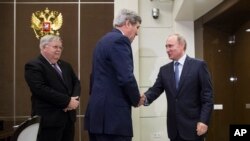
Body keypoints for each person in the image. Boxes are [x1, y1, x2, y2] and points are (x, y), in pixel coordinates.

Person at [141, 33, 213, 141]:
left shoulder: (199, 65)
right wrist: (144, 98)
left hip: (194, 128)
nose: (167, 49)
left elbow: (208, 96)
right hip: (174, 130)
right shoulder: (164, 70)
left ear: (182, 45)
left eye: (170, 46)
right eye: (166, 46)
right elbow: (155, 90)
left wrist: (204, 121)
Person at [84, 9, 142, 141]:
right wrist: (136, 99)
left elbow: (94, 77)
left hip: (97, 116)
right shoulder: (119, 41)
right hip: (113, 119)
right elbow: (126, 78)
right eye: (137, 27)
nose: (137, 33)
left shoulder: (102, 41)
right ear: (128, 23)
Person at [24, 35, 81, 141]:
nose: (59, 50)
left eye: (60, 47)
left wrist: (74, 99)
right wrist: (67, 101)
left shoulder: (65, 65)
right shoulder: (34, 65)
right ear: (44, 47)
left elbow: (76, 82)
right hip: (49, 121)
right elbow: (40, 89)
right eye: (55, 47)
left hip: (68, 119)